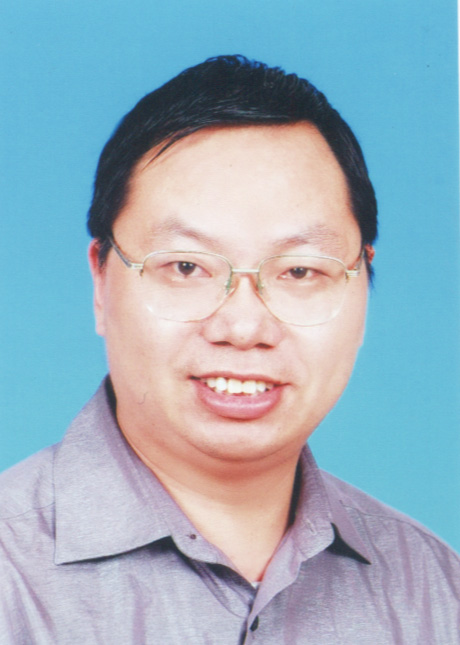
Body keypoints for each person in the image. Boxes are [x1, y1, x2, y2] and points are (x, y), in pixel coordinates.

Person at [0, 55, 458, 644]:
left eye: (300, 271)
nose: (243, 327)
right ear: (100, 280)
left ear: (363, 283)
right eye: (186, 267)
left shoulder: (436, 594)